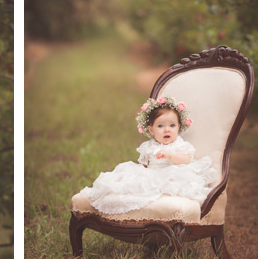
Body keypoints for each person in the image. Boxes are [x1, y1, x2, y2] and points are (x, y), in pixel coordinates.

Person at [77, 92, 217, 216]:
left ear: (179, 127)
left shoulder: (179, 144)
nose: (167, 130)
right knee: (130, 179)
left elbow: (186, 160)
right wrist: (140, 174)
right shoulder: (148, 147)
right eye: (160, 126)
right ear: (151, 130)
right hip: (153, 174)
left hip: (174, 173)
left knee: (175, 181)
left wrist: (170, 155)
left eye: (172, 126)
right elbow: (143, 165)